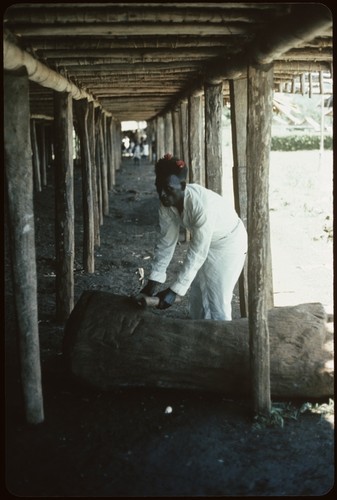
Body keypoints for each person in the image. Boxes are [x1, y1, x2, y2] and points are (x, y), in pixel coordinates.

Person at [140, 153, 248, 320]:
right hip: (207, 241)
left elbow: (197, 252)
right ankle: (198, 335)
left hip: (229, 243)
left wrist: (174, 291)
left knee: (218, 299)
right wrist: (152, 283)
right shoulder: (166, 204)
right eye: (158, 187)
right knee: (197, 295)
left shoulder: (201, 206)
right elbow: (166, 243)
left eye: (168, 189)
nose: (162, 194)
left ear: (183, 186)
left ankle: (219, 339)